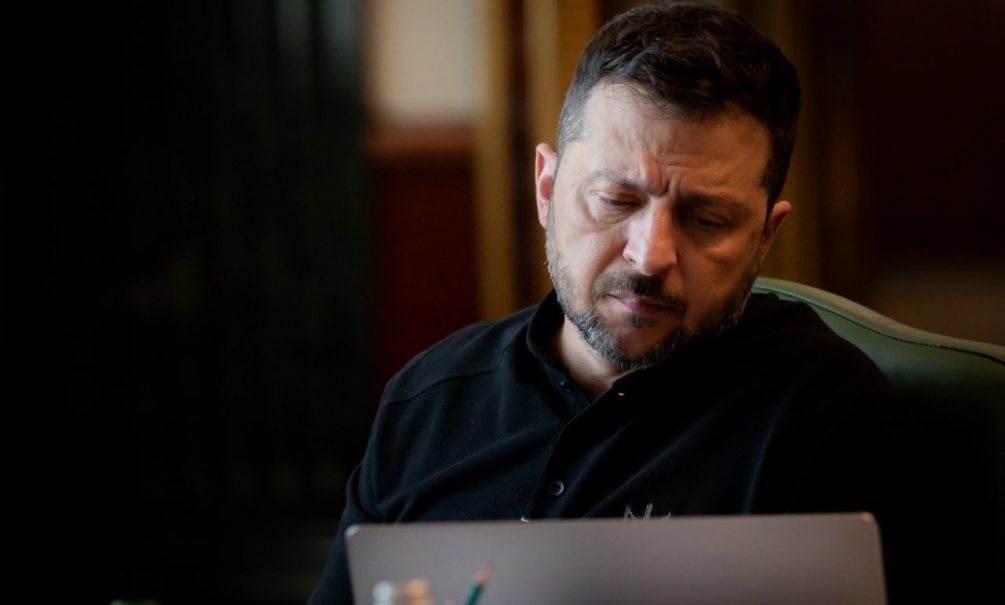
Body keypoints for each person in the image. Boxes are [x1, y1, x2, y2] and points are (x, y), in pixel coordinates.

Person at [310, 2, 919, 602]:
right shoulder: (428, 401)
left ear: (765, 236)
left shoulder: (826, 417)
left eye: (707, 219)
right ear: (546, 188)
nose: (650, 256)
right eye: (615, 201)